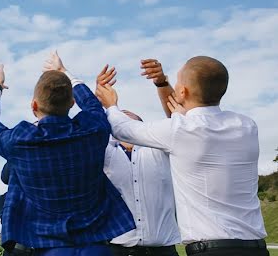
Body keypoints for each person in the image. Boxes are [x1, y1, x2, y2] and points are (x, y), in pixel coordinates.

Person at [96, 57, 268, 256]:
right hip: (256, 247)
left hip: (211, 250)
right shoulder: (247, 126)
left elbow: (121, 128)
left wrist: (111, 105)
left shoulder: (180, 131)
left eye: (177, 82)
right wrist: (161, 83)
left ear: (182, 91)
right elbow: (183, 117)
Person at [0, 53, 134, 253]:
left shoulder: (20, 141)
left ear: (34, 105)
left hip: (49, 246)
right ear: (71, 103)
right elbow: (94, 106)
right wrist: (65, 72)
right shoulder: (93, 131)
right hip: (97, 245)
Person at [94, 66, 180, 256]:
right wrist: (98, 99)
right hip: (117, 249)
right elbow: (89, 126)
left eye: (129, 118)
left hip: (163, 250)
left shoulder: (159, 148)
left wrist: (162, 83)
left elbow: (178, 118)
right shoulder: (104, 152)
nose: (121, 117)